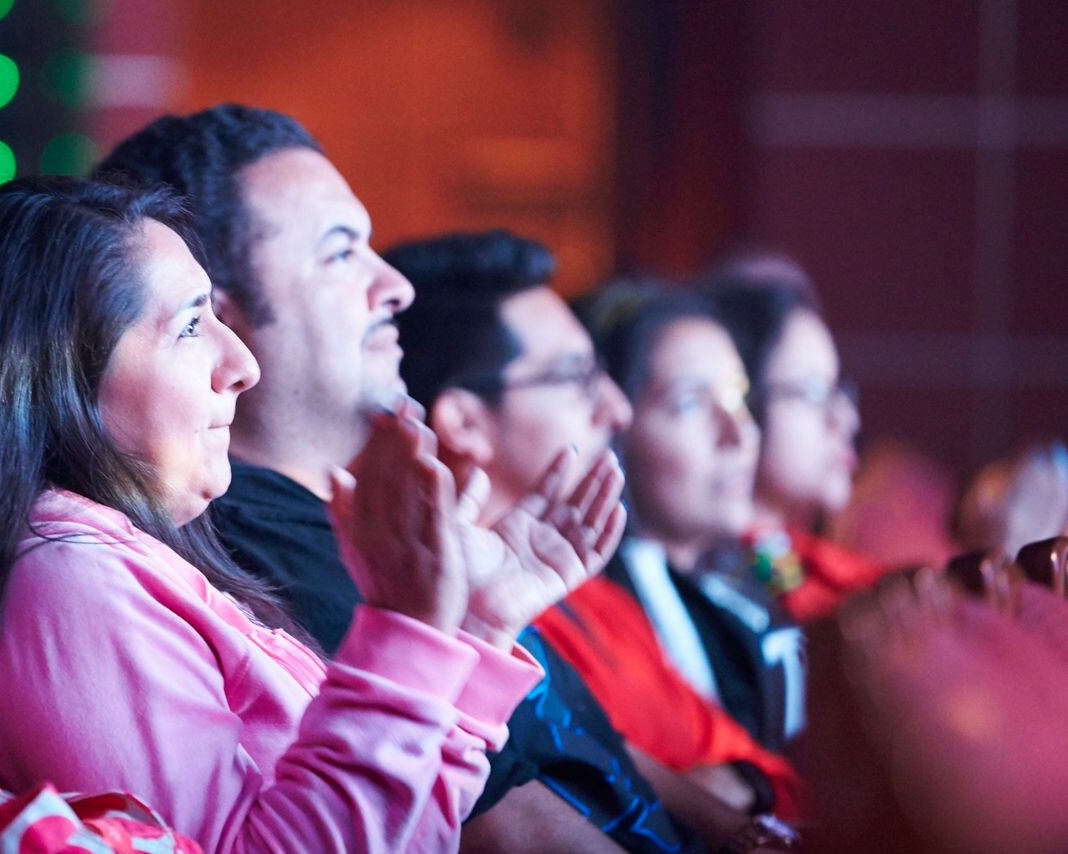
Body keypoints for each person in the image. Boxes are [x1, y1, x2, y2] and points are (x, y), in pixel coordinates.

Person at [0, 177, 622, 850]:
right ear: (55, 375)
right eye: (192, 328)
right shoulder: (58, 580)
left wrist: (474, 624)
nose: (242, 364)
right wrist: (404, 627)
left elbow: (410, 827)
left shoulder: (114, 553)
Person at [98, 106, 679, 853]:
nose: (396, 286)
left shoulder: (356, 520)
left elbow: (592, 755)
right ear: (219, 310)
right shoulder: (251, 562)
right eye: (341, 254)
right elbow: (496, 831)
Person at [390, 230, 802, 841]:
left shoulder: (597, 599)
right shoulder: (422, 625)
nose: (617, 410)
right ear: (464, 421)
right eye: (577, 378)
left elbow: (758, 774)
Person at [580, 283, 804, 753]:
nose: (739, 433)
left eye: (738, 396)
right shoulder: (586, 621)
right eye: (689, 403)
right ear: (610, 427)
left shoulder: (761, 564)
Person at [699, 272, 885, 621]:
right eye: (814, 392)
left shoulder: (783, 556)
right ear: (742, 402)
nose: (846, 419)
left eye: (838, 389)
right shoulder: (728, 576)